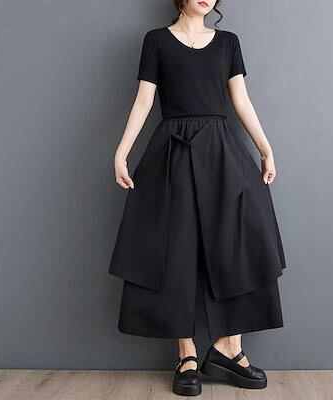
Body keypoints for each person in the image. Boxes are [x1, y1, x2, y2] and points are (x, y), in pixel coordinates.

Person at [109, 0, 287, 396]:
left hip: (222, 151)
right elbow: (144, 100)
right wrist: (122, 152)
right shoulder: (156, 41)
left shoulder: (228, 42)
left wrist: (265, 148)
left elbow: (241, 100)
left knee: (239, 241)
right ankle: (186, 354)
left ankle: (228, 348)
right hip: (173, 149)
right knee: (176, 249)